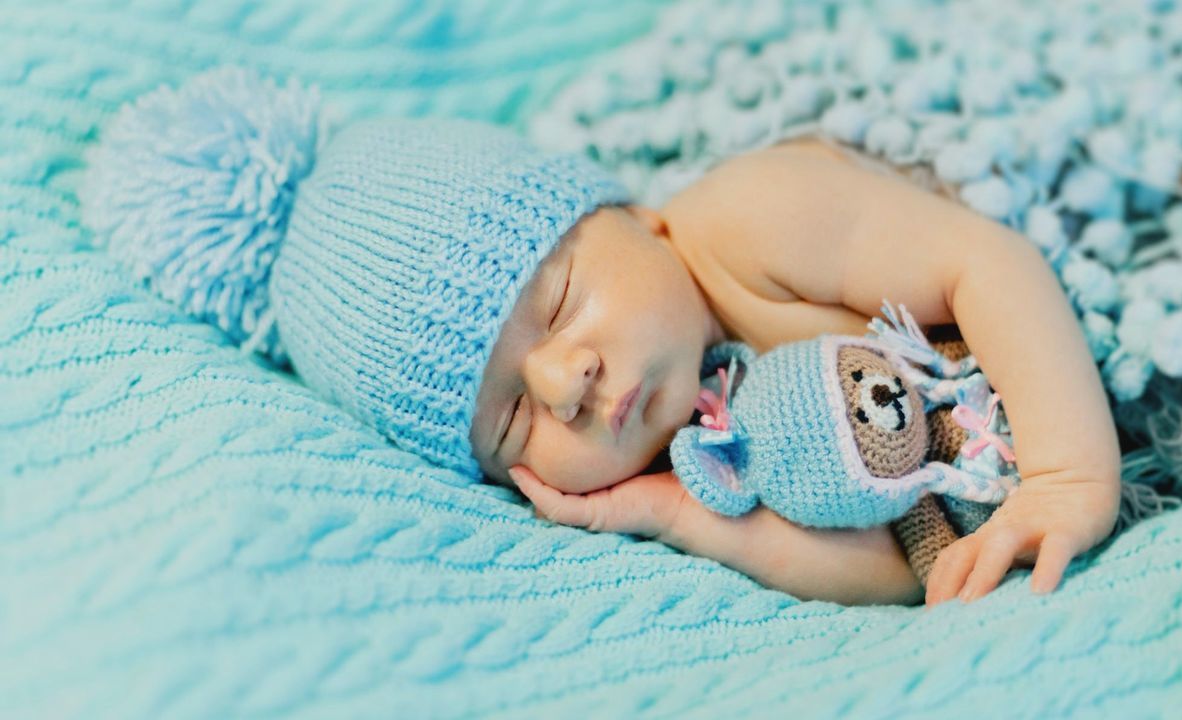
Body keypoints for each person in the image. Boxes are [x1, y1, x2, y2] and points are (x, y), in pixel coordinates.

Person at [83, 67, 1121, 609]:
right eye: (509, 420)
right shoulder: (706, 447)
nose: (564, 382)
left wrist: (1066, 479)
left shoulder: (746, 223)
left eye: (559, 298)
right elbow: (897, 563)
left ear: (629, 216)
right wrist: (677, 518)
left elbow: (986, 265)